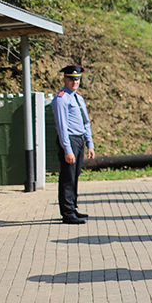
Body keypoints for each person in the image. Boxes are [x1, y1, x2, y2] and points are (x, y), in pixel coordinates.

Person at [51, 64, 96, 224]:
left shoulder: (78, 97)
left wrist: (89, 143)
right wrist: (67, 149)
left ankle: (73, 207)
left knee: (75, 175)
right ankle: (67, 212)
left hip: (78, 139)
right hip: (69, 139)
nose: (74, 82)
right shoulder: (61, 99)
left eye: (77, 79)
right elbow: (62, 126)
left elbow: (85, 122)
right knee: (67, 176)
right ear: (64, 79)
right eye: (71, 79)